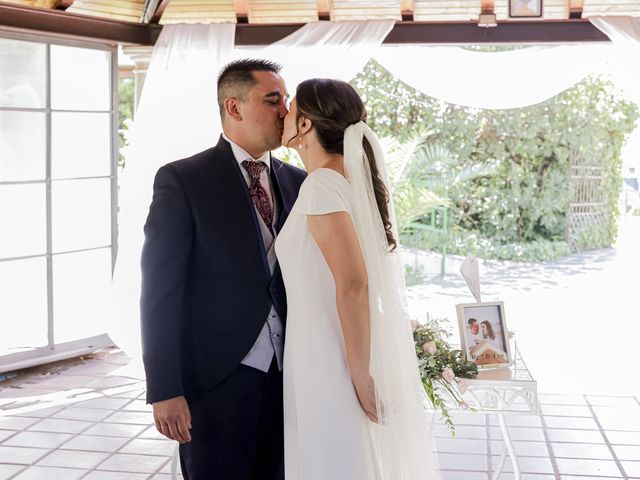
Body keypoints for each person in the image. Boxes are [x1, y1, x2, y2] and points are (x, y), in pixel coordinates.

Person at [140, 59, 306, 480]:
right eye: (273, 100)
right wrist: (165, 389)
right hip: (214, 381)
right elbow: (160, 292)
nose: (286, 111)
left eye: (285, 99)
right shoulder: (183, 179)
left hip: (292, 376)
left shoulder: (300, 182)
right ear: (233, 108)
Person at [275, 79, 440, 479]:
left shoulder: (320, 185)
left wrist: (360, 374)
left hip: (328, 354)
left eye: (290, 106)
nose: (283, 112)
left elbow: (353, 283)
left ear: (306, 125)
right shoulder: (341, 181)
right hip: (327, 348)